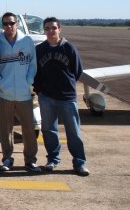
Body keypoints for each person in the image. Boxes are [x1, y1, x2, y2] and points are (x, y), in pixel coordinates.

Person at [33, 17, 90, 176]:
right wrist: (40, 90)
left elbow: (77, 71)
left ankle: (79, 162)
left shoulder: (69, 48)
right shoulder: (40, 50)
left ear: (59, 29)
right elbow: (36, 73)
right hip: (46, 97)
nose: (50, 31)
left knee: (73, 131)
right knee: (49, 130)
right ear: (44, 31)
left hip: (67, 98)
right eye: (47, 28)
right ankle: (53, 159)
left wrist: (67, 87)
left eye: (53, 28)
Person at [0, 12, 40, 173]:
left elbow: (33, 64)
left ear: (17, 24)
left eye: (11, 23)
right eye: (5, 24)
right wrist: (0, 83)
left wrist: (28, 82)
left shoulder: (27, 41)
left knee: (28, 128)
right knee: (5, 128)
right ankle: (7, 158)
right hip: (4, 94)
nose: (8, 26)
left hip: (23, 94)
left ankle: (30, 160)